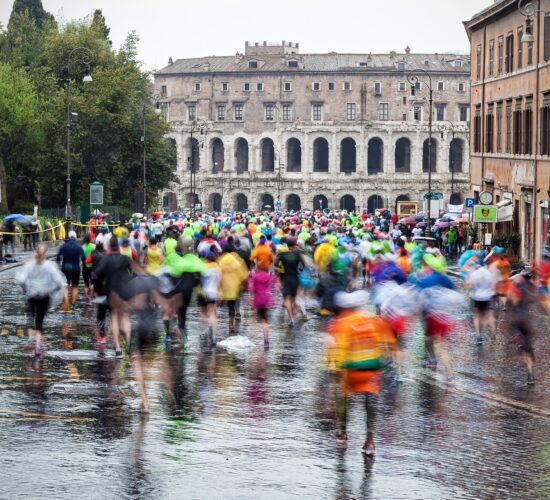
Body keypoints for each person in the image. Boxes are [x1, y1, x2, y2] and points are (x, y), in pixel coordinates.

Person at [327, 290, 396, 455]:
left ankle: (342, 433)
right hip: (371, 369)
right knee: (370, 402)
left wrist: (334, 367)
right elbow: (389, 343)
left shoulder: (340, 322)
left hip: (351, 371)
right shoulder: (375, 321)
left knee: (342, 396)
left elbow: (339, 348)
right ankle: (370, 441)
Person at [16, 244, 67, 357]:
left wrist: (26, 289)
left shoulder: (30, 265)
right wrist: (52, 291)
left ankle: (30, 339)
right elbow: (59, 283)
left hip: (31, 296)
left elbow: (21, 280)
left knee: (30, 318)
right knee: (39, 321)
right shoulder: (50, 266)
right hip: (44, 296)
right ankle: (38, 346)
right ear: (46, 254)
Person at [274, 237, 307, 327]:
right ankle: (294, 315)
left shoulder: (282, 254)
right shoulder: (298, 254)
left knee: (286, 299)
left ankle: (291, 318)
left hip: (285, 278)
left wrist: (279, 277)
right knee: (293, 299)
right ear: (294, 245)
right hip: (295, 278)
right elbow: (304, 265)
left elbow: (276, 264)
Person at [467, 257, 498, 344]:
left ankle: (478, 336)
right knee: (490, 316)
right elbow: (493, 286)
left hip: (476, 297)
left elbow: (469, 285)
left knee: (477, 316)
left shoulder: (474, 274)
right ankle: (493, 333)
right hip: (487, 297)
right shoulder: (488, 273)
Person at [56, 230, 86, 309]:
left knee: (66, 286)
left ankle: (66, 303)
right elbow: (83, 258)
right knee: (75, 286)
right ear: (75, 238)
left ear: (68, 237)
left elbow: (58, 257)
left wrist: (58, 266)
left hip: (65, 268)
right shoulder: (79, 247)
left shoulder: (63, 247)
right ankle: (73, 304)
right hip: (76, 268)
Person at [82, 233, 96, 300]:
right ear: (90, 238)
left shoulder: (82, 247)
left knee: (86, 283)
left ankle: (87, 298)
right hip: (92, 267)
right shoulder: (94, 246)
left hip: (85, 267)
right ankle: (92, 296)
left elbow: (81, 257)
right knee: (93, 282)